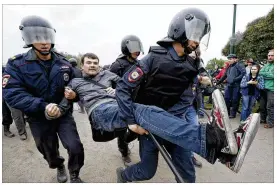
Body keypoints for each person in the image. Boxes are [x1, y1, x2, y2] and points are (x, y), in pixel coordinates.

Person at [50, 49, 258, 182]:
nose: (93, 65)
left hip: (164, 122)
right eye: (89, 62)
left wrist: (118, 90)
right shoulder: (76, 82)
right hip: (112, 115)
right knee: (143, 116)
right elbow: (67, 102)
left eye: (96, 62)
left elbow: (124, 86)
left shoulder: (109, 75)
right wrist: (64, 102)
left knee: (185, 169)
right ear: (82, 65)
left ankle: (221, 150)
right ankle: (216, 143)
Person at [114, 8, 257, 183]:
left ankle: (223, 147)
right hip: (150, 122)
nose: (197, 41)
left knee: (187, 175)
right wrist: (131, 122)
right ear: (180, 30)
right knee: (147, 171)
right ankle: (123, 175)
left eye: (200, 36)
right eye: (195, 34)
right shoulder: (153, 58)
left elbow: (195, 85)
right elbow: (122, 87)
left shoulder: (192, 63)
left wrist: (212, 91)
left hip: (176, 121)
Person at [2, 15, 84, 183]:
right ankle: (58, 165)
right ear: (28, 39)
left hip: (63, 114)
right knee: (49, 153)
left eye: (47, 37)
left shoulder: (64, 63)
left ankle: (74, 174)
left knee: (75, 147)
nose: (44, 42)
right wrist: (43, 106)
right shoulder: (17, 64)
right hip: (38, 117)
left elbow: (77, 87)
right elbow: (12, 93)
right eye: (38, 38)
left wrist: (74, 96)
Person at [109, 35, 144, 165]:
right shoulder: (117, 65)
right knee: (122, 128)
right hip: (122, 102)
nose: (137, 51)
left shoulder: (139, 64)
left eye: (138, 48)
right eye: (134, 48)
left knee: (136, 129)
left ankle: (126, 141)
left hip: (137, 101)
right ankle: (124, 152)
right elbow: (110, 84)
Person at [216, 54, 246, 118]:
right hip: (229, 85)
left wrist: (235, 79)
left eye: (230, 59)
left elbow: (243, 73)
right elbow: (224, 75)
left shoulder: (239, 65)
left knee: (235, 100)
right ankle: (227, 113)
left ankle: (233, 114)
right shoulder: (229, 67)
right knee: (226, 99)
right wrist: (218, 82)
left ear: (235, 59)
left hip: (236, 85)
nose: (229, 60)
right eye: (228, 59)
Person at [259, 49, 274, 128]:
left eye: (272, 55)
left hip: (272, 89)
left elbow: (273, 76)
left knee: (270, 106)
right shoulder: (266, 65)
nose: (270, 57)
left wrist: (265, 75)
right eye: (269, 55)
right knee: (262, 105)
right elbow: (260, 73)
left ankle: (271, 123)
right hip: (263, 88)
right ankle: (263, 119)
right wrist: (268, 75)